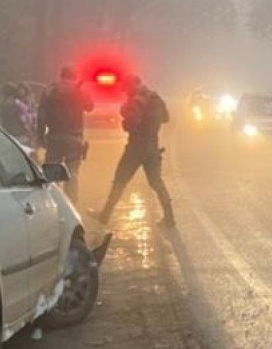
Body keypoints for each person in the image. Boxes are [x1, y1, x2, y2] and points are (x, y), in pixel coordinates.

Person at [97, 77, 175, 228]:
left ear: (132, 86)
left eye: (126, 90)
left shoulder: (135, 101)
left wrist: (126, 115)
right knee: (157, 183)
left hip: (136, 147)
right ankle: (170, 218)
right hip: (152, 145)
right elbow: (166, 118)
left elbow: (130, 125)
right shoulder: (155, 97)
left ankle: (104, 216)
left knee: (120, 181)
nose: (126, 93)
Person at [36, 66, 93, 195]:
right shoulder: (79, 89)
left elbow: (41, 115)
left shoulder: (50, 90)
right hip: (74, 138)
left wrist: (40, 136)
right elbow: (90, 107)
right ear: (74, 76)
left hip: (54, 137)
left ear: (61, 75)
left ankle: (54, 200)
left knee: (52, 173)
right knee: (72, 173)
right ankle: (71, 205)